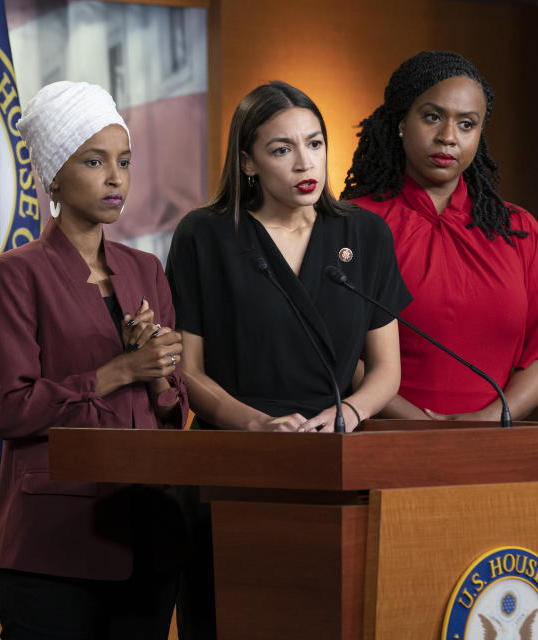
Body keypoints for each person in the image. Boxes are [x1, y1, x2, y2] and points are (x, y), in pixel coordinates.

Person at [165, 81, 410, 639]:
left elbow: (387, 370)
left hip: (335, 464)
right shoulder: (205, 235)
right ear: (247, 162)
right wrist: (254, 423)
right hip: (230, 465)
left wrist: (348, 413)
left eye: (315, 143)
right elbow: (188, 369)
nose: (306, 162)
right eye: (281, 149)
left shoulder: (364, 234)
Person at [0, 81, 188, 640]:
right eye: (94, 161)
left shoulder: (146, 269)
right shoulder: (15, 273)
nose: (115, 177)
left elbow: (174, 411)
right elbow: (12, 410)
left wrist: (161, 373)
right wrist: (121, 370)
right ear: (53, 174)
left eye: (124, 161)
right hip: (54, 546)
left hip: (147, 535)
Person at [342, 51, 538, 421]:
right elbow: (341, 351)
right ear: (402, 121)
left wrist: (482, 424)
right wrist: (418, 427)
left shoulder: (519, 230)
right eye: (433, 117)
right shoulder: (354, 225)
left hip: (492, 448)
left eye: (467, 124)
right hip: (382, 441)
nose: (448, 137)